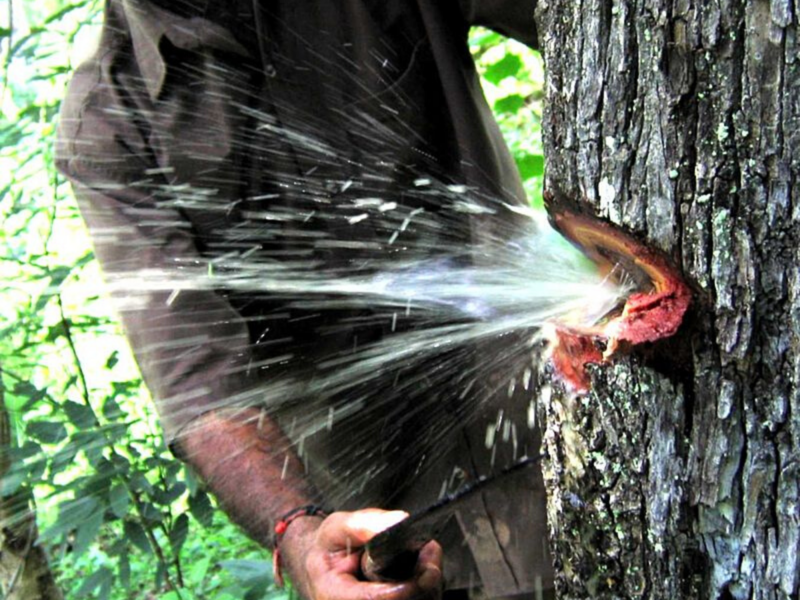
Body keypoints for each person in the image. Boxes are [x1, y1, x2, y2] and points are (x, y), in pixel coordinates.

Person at [56, 1, 554, 599]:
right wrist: (300, 537)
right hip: (392, 540)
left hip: (567, 437)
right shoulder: (110, 122)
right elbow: (200, 385)